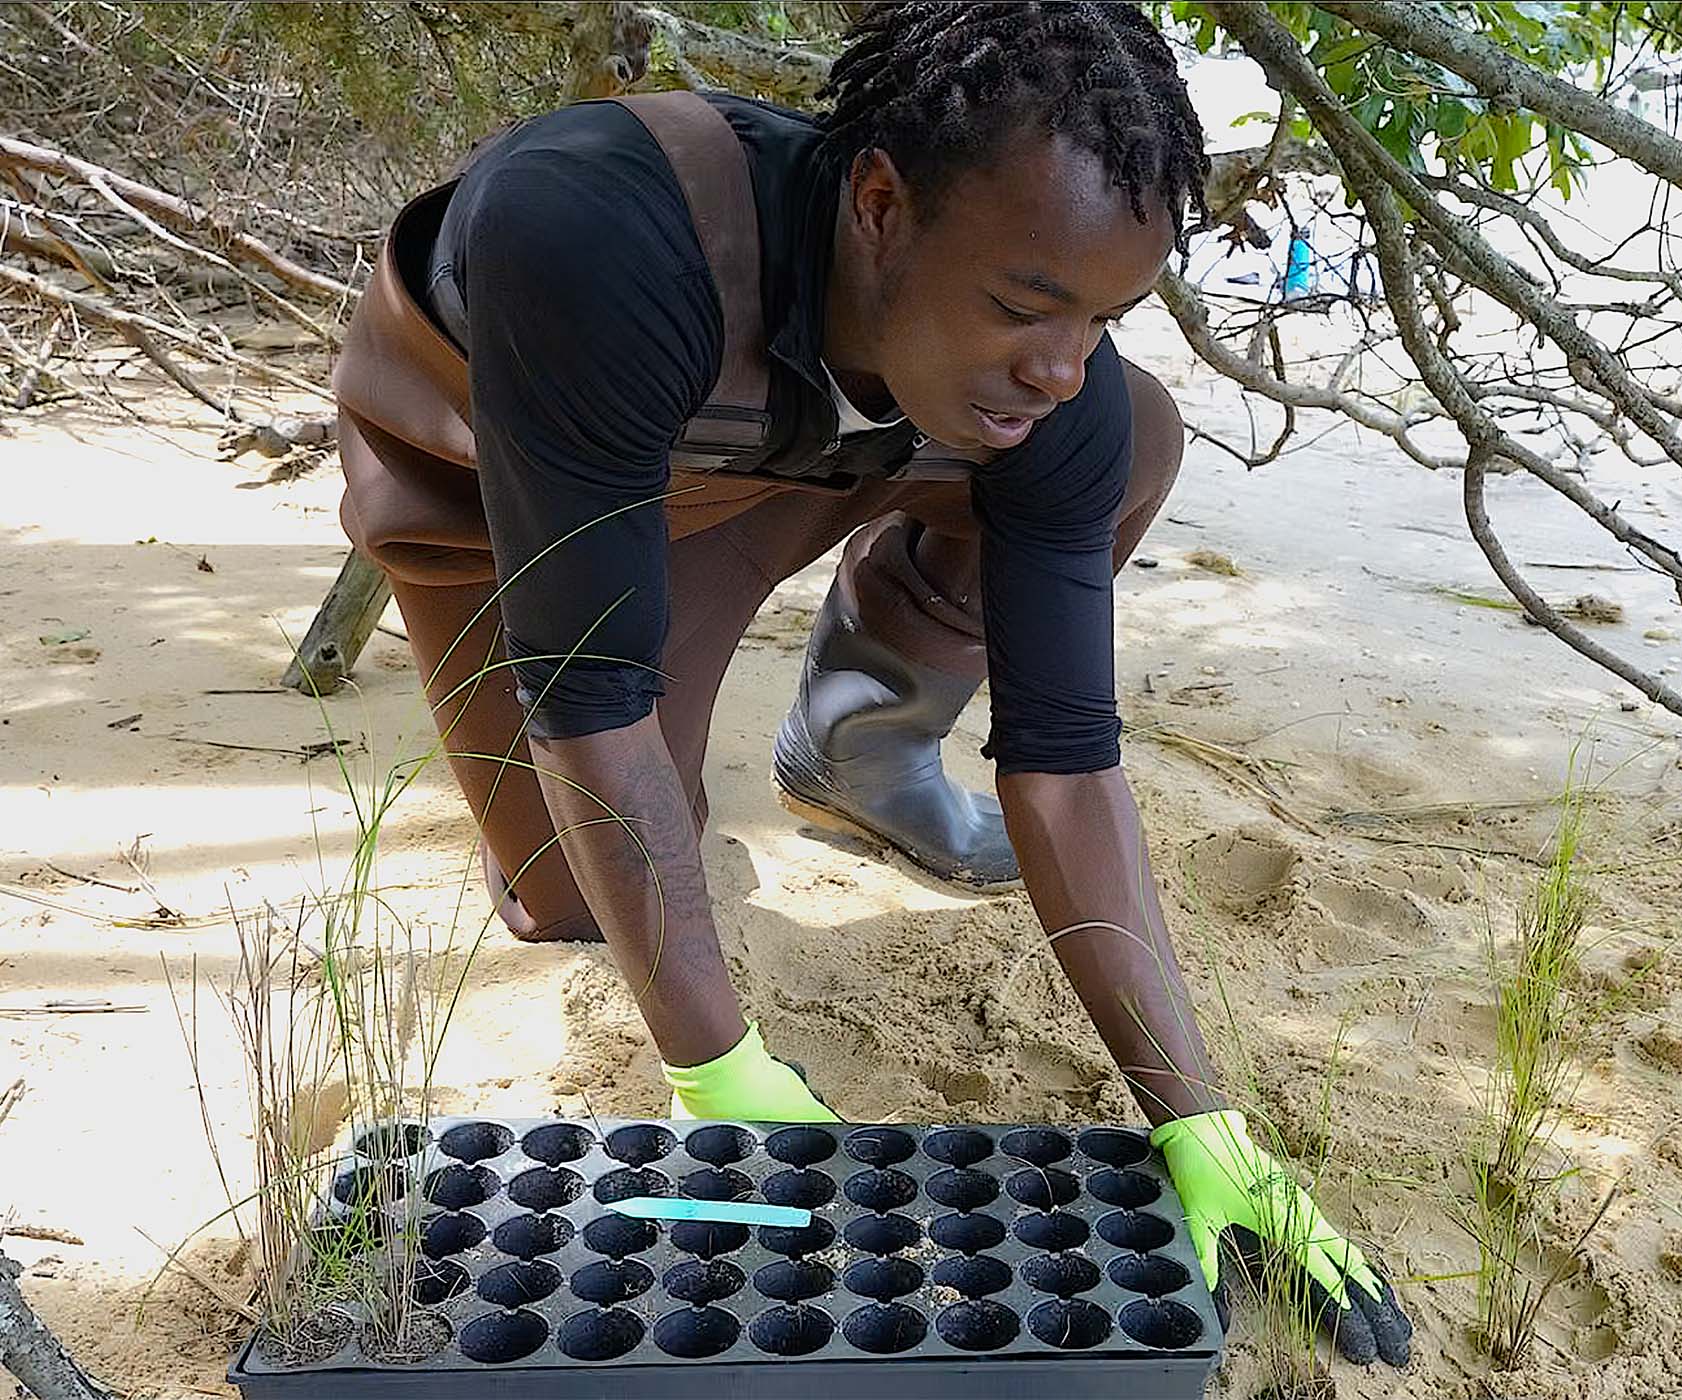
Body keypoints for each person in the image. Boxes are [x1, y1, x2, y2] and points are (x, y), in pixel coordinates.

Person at [332, 1, 1409, 1366]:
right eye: (1028, 306)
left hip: (787, 458)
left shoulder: (1046, 377)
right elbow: (586, 702)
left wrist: (1200, 1119)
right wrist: (722, 1073)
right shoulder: (598, 233)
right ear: (884, 204)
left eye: (1106, 314)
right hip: (511, 483)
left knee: (1119, 435)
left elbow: (1070, 762)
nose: (1061, 362)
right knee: (568, 892)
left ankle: (860, 733)